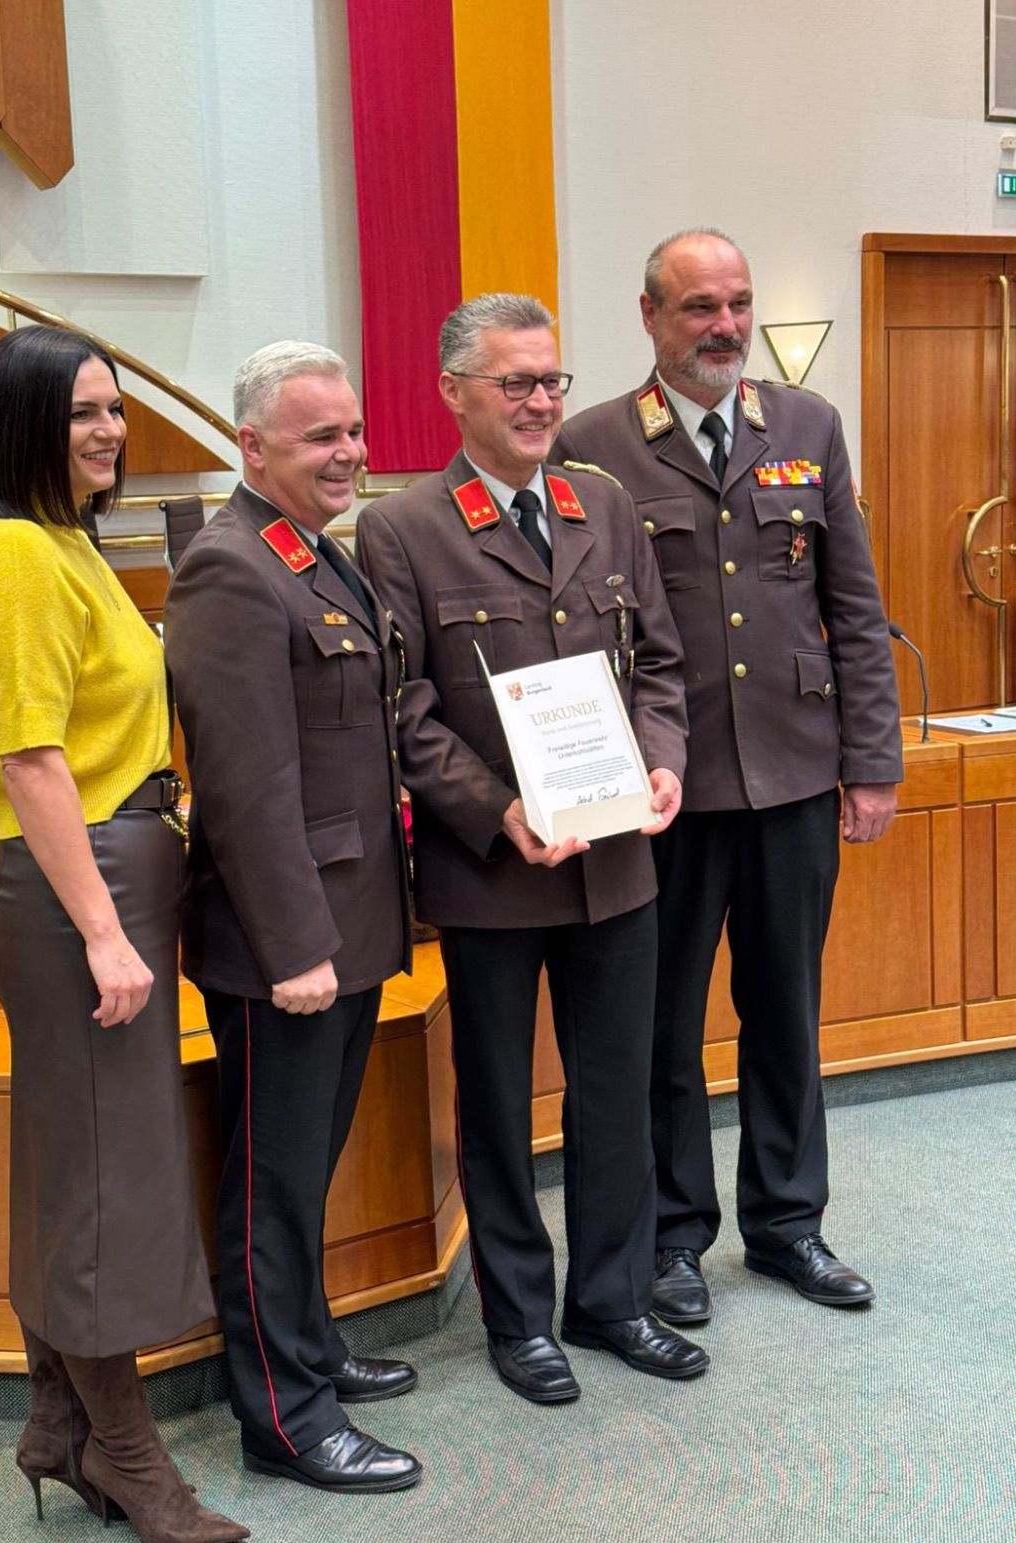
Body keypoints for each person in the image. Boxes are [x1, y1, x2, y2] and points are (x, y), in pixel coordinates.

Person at [356, 293, 707, 1405]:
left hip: (615, 863)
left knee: (617, 1089)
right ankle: (520, 1319)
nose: (542, 399)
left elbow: (657, 662)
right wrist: (497, 808)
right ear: (455, 391)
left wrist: (662, 761)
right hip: (494, 871)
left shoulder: (601, 501)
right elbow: (402, 705)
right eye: (516, 382)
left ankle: (611, 1300)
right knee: (498, 1107)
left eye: (552, 379)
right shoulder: (401, 527)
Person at [555, 229, 904, 1323]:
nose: (725, 326)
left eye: (738, 303)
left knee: (787, 1010)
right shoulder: (593, 442)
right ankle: (672, 1238)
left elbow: (852, 603)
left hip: (795, 773)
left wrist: (872, 762)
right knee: (664, 1025)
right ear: (651, 315)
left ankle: (790, 1223)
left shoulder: (806, 426)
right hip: (666, 790)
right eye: (701, 306)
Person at [0, 325, 248, 1543]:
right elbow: (31, 760)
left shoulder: (66, 543)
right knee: (108, 1184)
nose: (111, 430)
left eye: (115, 409)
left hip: (114, 872)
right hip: (86, 888)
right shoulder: (15, 550)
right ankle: (129, 1457)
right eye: (81, 413)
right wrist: (106, 933)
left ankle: (57, 1425)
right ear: (22, 424)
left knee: (75, 1173)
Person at [164, 342, 421, 1493]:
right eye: (322, 437)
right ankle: (285, 1416)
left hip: (347, 919)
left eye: (355, 432)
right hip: (290, 945)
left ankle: (305, 1349)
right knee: (271, 1182)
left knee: (304, 1167)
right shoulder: (230, 568)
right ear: (251, 446)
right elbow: (247, 783)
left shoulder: (314, 556)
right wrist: (295, 948)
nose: (350, 454)